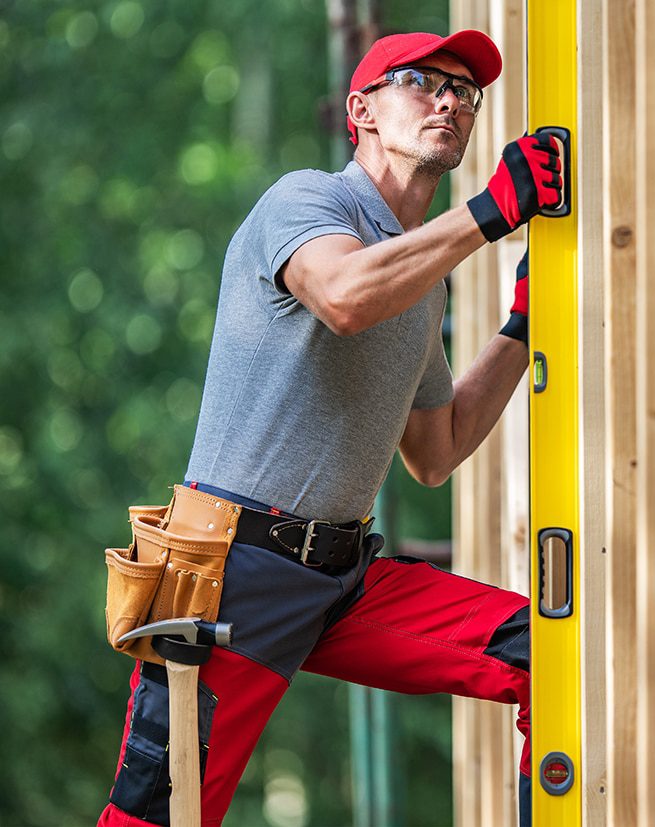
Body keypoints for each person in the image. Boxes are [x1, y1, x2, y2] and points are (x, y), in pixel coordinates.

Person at [98, 29, 559, 827]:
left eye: (465, 91)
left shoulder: (420, 282)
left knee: (545, 655)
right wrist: (488, 215)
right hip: (231, 579)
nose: (449, 99)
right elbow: (345, 297)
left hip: (343, 582)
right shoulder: (305, 200)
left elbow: (437, 450)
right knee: (155, 820)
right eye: (423, 81)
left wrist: (520, 327)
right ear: (362, 111)